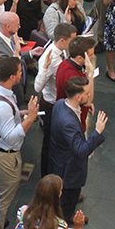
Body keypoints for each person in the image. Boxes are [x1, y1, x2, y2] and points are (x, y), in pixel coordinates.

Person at [0, 56, 40, 229]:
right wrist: (29, 119)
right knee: (2, 200)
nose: (21, 73)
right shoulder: (1, 107)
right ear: (12, 77)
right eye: (19, 71)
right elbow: (11, 137)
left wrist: (19, 115)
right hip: (5, 158)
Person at [50, 76, 106, 227]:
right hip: (69, 169)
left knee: (69, 199)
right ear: (78, 96)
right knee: (67, 199)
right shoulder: (68, 122)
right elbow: (81, 151)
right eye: (87, 93)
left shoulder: (61, 104)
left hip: (59, 159)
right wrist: (97, 132)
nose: (90, 95)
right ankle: (64, 225)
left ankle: (68, 213)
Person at [34, 23, 77, 177]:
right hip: (51, 106)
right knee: (50, 145)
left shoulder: (62, 52)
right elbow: (38, 87)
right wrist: (44, 69)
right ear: (62, 40)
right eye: (72, 40)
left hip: (59, 103)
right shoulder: (50, 58)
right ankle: (46, 177)